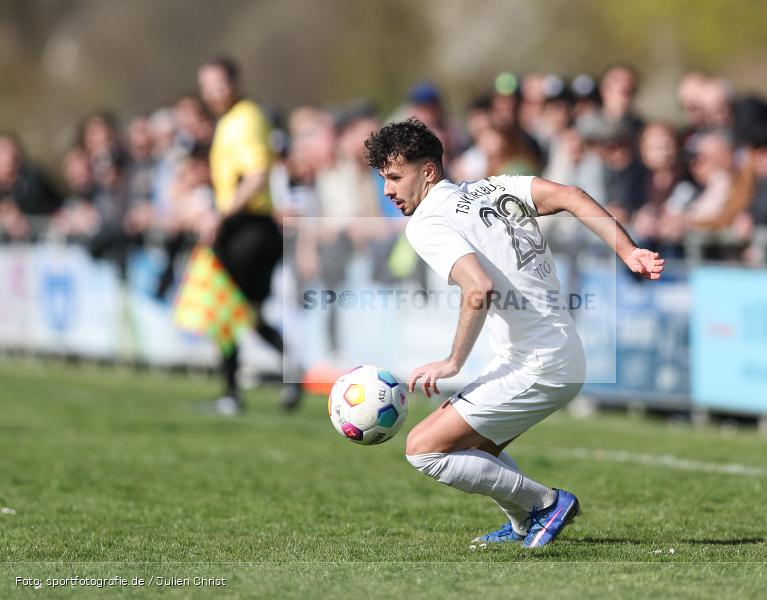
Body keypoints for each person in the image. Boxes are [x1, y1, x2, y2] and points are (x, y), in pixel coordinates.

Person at [364, 119, 664, 548]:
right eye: (383, 180)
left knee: (423, 449)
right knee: (476, 448)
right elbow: (572, 197)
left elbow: (478, 289)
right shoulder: (494, 186)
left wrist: (453, 363)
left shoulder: (427, 222)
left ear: (428, 171)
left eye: (395, 177)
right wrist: (628, 250)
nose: (388, 191)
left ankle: (547, 504)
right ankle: (525, 522)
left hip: (539, 363)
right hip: (553, 353)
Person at [196, 56, 301, 415]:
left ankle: (230, 395)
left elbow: (257, 175)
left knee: (223, 311)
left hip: (248, 227)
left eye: (219, 85)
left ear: (236, 83)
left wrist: (220, 215)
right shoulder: (231, 120)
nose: (213, 94)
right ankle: (293, 370)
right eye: (207, 87)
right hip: (251, 227)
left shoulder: (245, 119)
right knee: (249, 316)